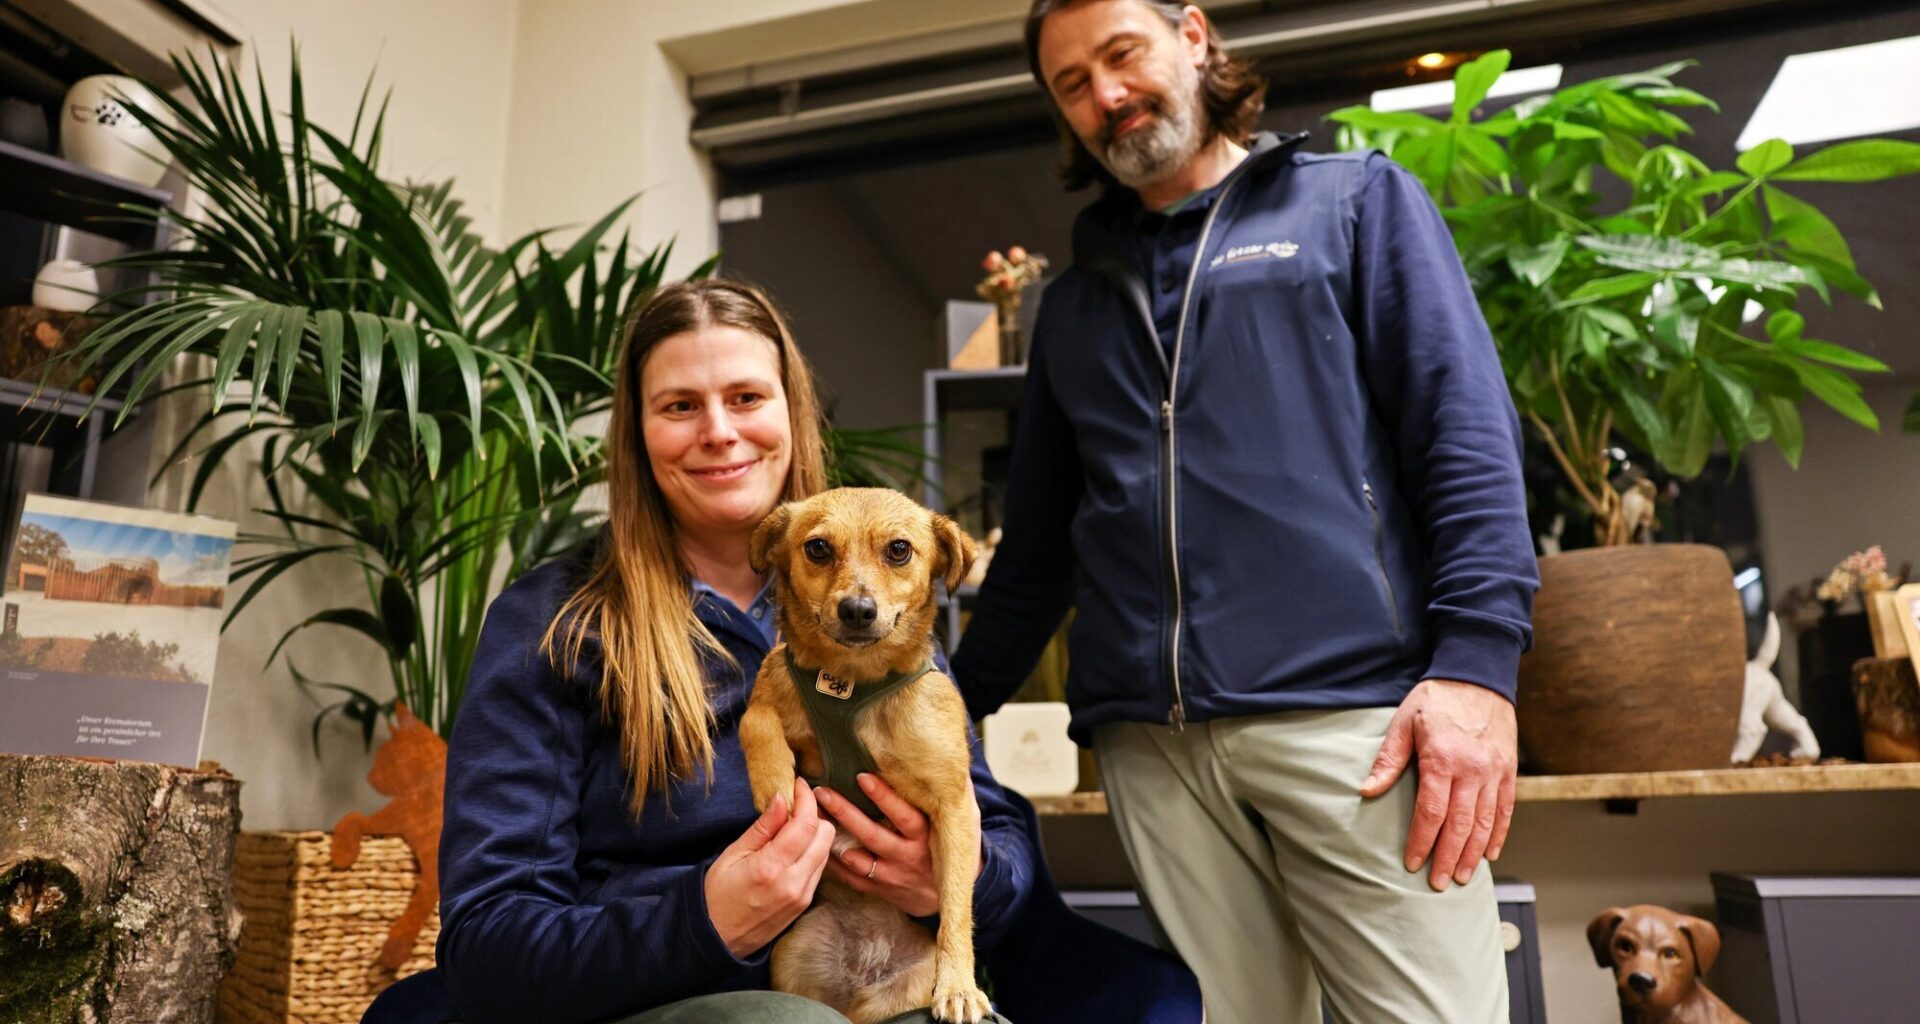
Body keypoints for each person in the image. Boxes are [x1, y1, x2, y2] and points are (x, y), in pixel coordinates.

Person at [950, 2, 1539, 1022]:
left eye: (1122, 55)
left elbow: (1466, 440)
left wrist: (1477, 669)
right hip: (1154, 753)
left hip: (1357, 727)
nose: (1107, 95)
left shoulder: (1354, 203)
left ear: (1193, 35)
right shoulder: (1076, 304)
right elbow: (1039, 552)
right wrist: (946, 707)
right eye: (1073, 84)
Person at [436, 279, 1032, 1024]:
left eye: (747, 397)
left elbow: (999, 838)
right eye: (680, 405)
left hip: (884, 976)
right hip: (663, 999)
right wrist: (699, 921)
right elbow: (487, 945)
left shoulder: (882, 624)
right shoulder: (554, 622)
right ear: (637, 432)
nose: (719, 430)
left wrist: (941, 877)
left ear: (792, 412)